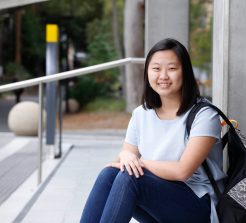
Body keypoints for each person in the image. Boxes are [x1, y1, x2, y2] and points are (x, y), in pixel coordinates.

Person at [80, 38, 226, 223]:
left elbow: (182, 171)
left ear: (185, 73)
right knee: (108, 175)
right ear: (147, 73)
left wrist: (140, 162)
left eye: (172, 69)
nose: (163, 76)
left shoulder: (204, 115)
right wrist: (125, 156)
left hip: (198, 208)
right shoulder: (141, 114)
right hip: (160, 203)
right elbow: (123, 161)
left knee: (131, 177)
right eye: (156, 69)